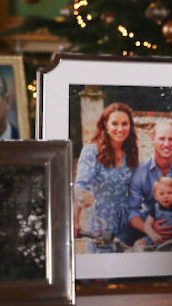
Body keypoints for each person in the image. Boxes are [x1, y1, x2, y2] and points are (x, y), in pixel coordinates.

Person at [121, 121, 172, 247]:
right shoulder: (139, 171)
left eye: (171, 139)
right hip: (146, 222)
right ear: (153, 139)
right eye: (162, 139)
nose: (166, 144)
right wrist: (150, 230)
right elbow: (133, 211)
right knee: (121, 243)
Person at [74, 102, 139, 252]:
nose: (120, 129)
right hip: (100, 223)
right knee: (101, 270)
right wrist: (75, 221)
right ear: (105, 125)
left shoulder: (130, 154)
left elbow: (137, 190)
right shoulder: (91, 152)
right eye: (115, 123)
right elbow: (81, 187)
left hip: (125, 226)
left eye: (125, 124)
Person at [133, 177, 172, 247]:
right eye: (161, 194)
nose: (166, 196)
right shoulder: (155, 208)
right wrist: (153, 235)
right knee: (138, 243)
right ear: (156, 196)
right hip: (156, 238)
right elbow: (147, 225)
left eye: (169, 193)